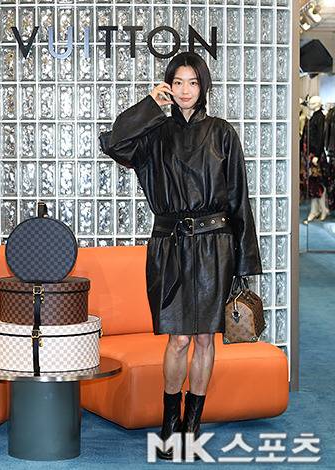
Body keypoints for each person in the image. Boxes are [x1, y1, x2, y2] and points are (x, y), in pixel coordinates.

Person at [100, 51, 262, 460]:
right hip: (169, 244)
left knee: (205, 338)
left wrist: (243, 262)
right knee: (178, 339)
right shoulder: (154, 133)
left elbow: (239, 198)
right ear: (168, 86)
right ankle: (169, 420)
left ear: (203, 86)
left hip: (214, 245)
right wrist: (150, 106)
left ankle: (193, 422)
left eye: (193, 82)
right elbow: (114, 143)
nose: (185, 90)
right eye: (177, 82)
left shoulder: (222, 132)